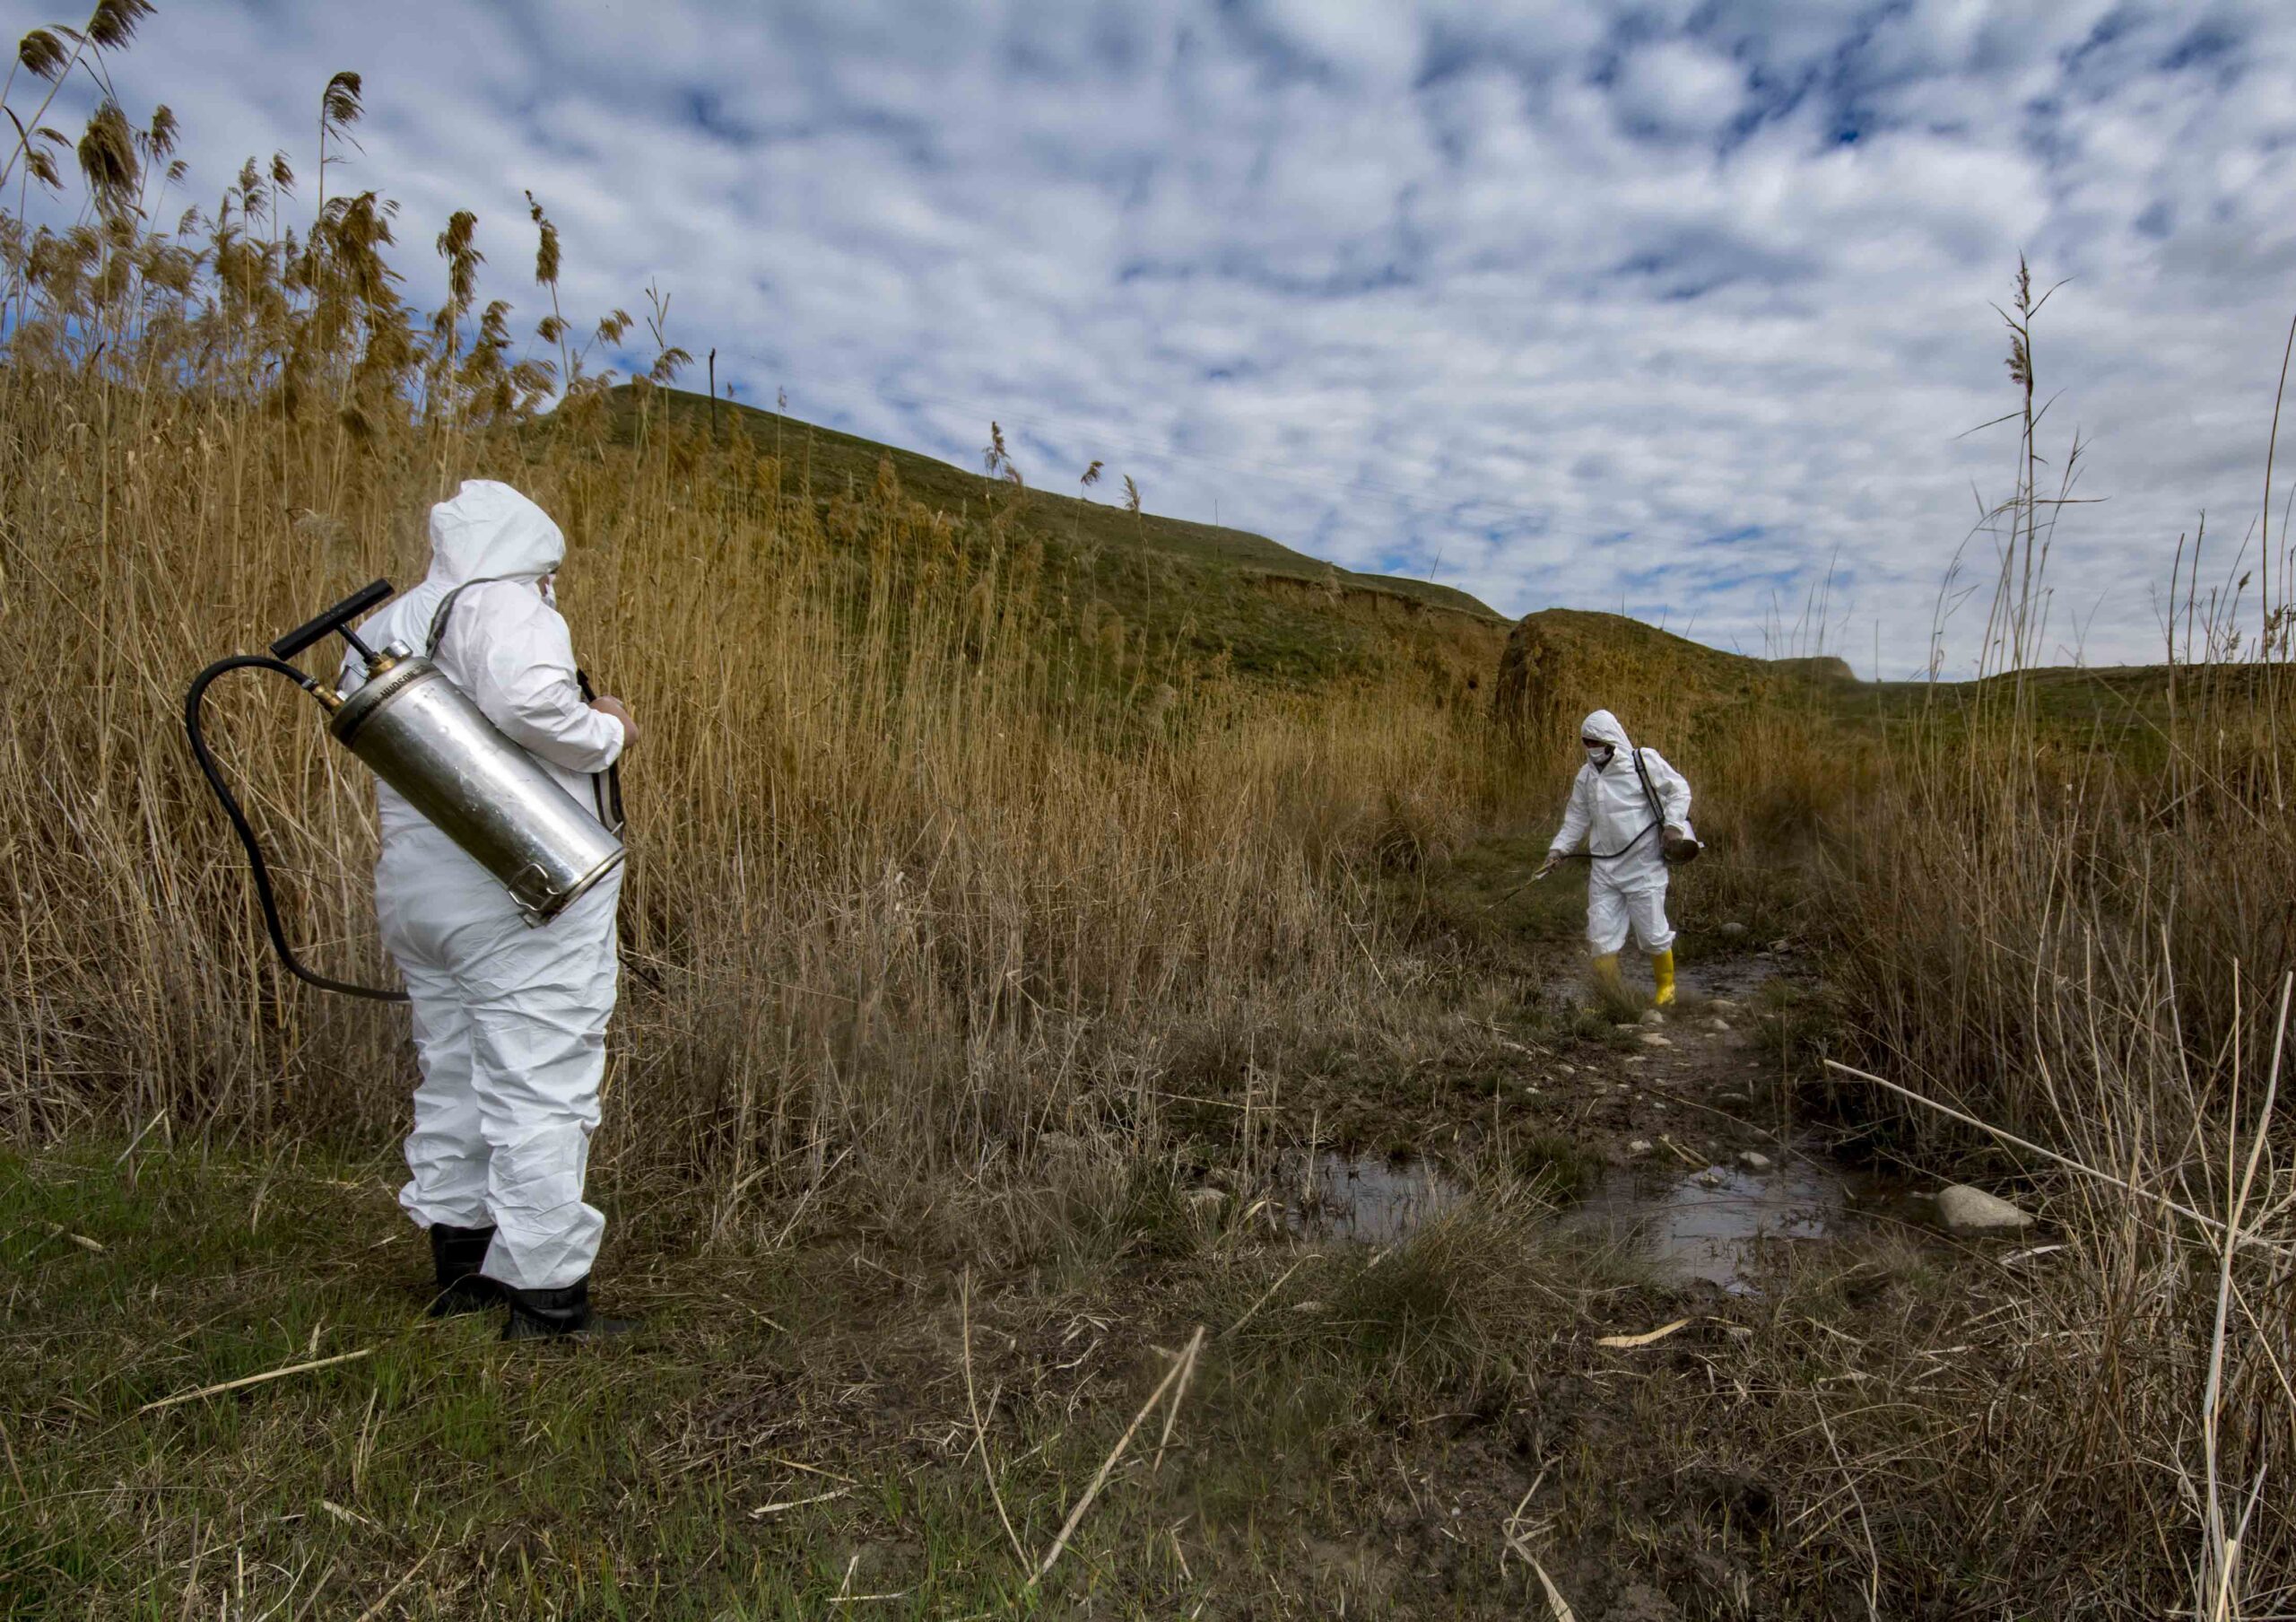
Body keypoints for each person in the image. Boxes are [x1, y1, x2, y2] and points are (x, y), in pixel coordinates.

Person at [341, 480, 637, 1339]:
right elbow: (529, 703)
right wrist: (608, 726)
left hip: (423, 894)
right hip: (519, 889)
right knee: (541, 1077)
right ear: (527, 548)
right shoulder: (502, 602)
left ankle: (461, 1267)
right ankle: (547, 1300)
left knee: (458, 1073)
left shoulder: (392, 623)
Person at [1537, 709, 1693, 1007]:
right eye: (1586, 742)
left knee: (1652, 931)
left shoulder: (1642, 762)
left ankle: (1666, 991)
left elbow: (1679, 789)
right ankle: (1611, 996)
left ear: (1612, 740)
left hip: (1644, 865)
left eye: (1596, 742)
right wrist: (1558, 850)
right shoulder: (1585, 777)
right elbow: (1576, 818)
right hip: (1605, 869)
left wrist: (1673, 826)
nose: (1592, 748)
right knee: (1600, 934)